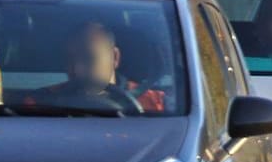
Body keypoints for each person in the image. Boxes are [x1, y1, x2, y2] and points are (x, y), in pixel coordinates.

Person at [21, 21, 166, 113]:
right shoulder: (40, 104)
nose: (77, 70)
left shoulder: (156, 104)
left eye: (88, 58)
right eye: (69, 60)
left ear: (115, 57)